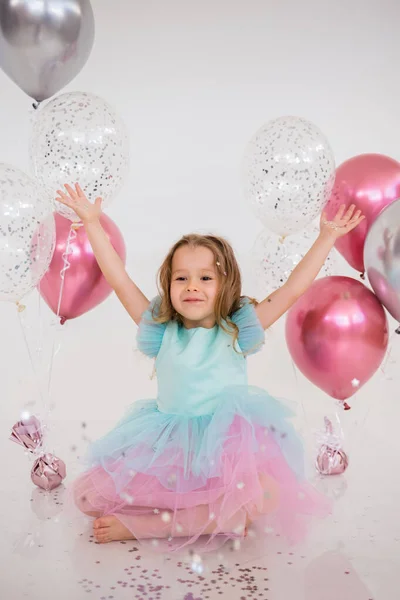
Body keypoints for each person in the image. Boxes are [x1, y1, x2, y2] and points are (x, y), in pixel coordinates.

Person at [58, 183, 364, 553]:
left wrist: (326, 237)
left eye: (205, 277)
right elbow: (119, 279)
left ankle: (149, 525)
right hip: (167, 444)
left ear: (225, 285)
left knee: (262, 497)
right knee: (87, 498)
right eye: (181, 277)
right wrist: (92, 222)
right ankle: (187, 510)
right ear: (168, 285)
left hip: (225, 449)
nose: (192, 286)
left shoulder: (236, 329)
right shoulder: (160, 329)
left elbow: (292, 291)